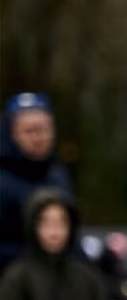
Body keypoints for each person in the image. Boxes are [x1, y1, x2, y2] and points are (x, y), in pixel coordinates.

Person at [0, 95, 73, 276]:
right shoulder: (3, 182)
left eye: (44, 129)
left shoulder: (59, 177)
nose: (38, 137)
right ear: (11, 134)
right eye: (30, 131)